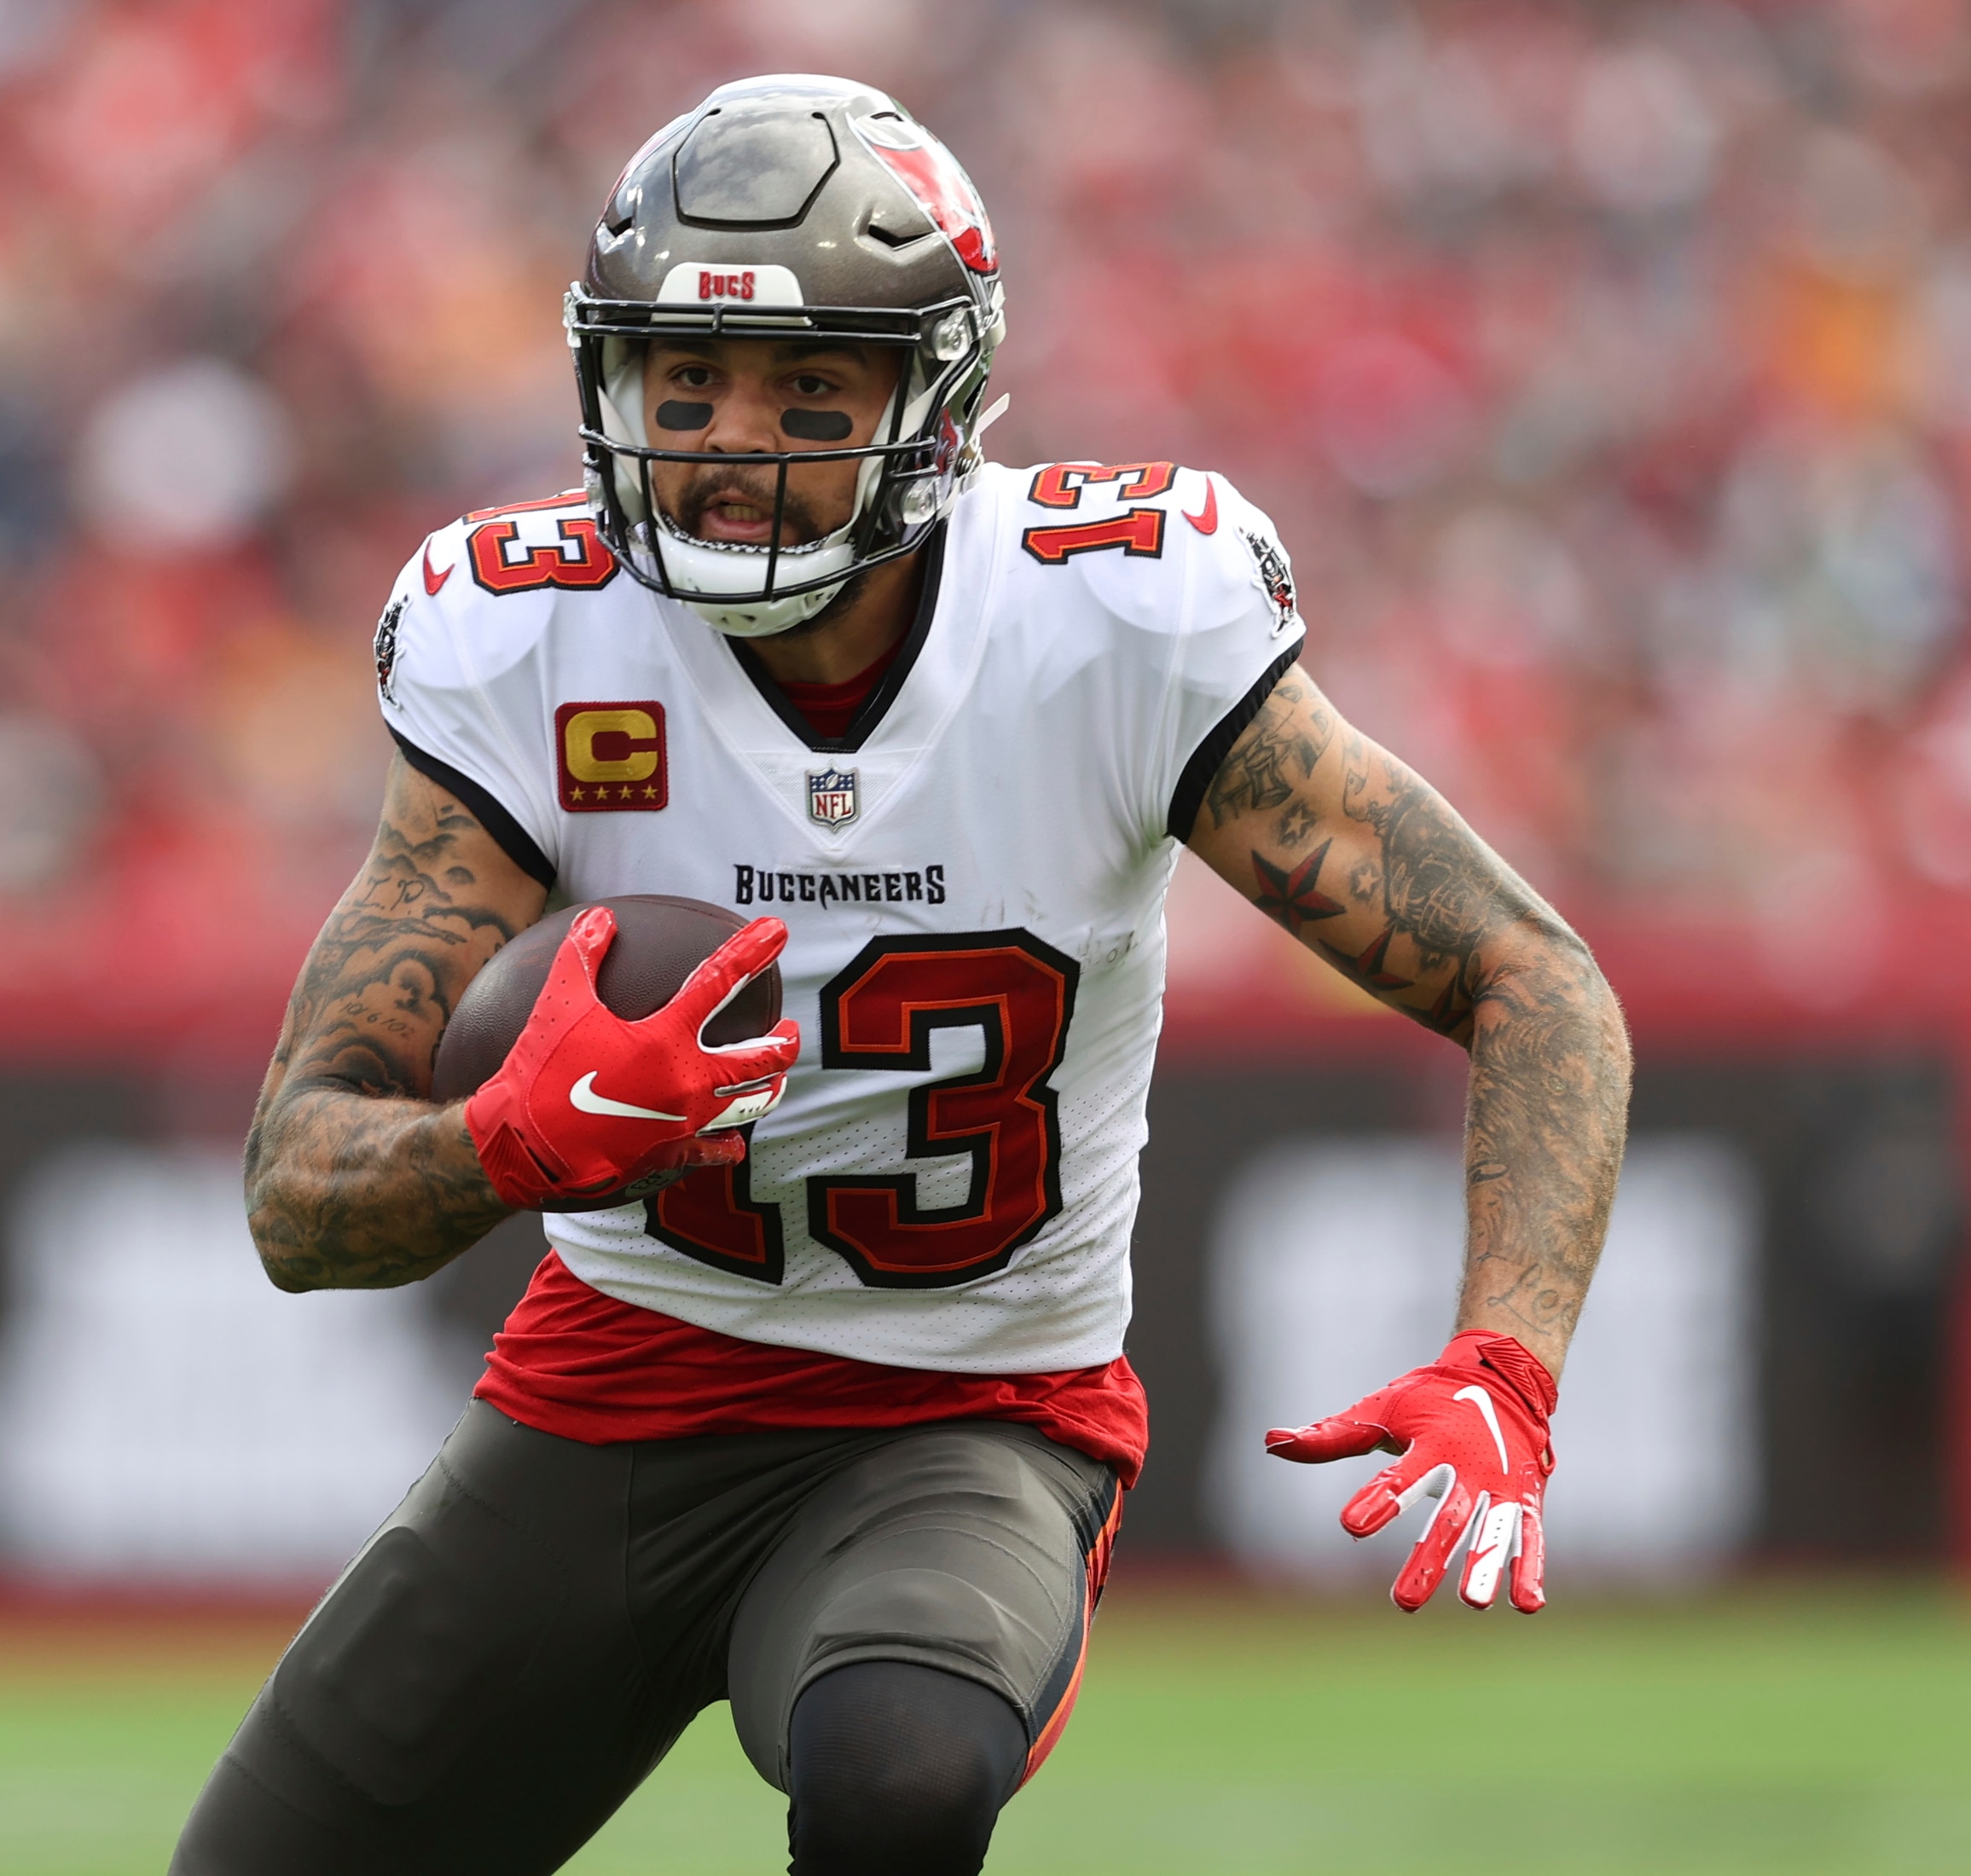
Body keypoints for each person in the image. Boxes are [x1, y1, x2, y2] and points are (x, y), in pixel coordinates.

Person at [173, 72, 1632, 1876]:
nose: (725, 440)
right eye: (683, 381)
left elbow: (1531, 975)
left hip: (971, 1409)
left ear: (935, 401)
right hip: (613, 1385)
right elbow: (295, 1191)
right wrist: (508, 1143)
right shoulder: (530, 635)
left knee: (902, 1765)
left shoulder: (1111, 619)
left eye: (808, 388)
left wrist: (1508, 1358)